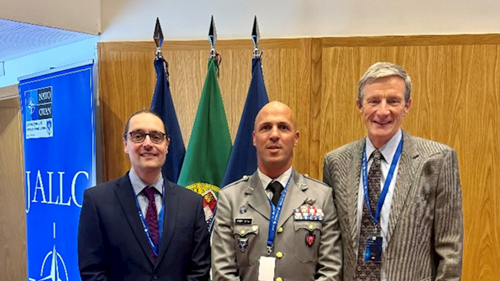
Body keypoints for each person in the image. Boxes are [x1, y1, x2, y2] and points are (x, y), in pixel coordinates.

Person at [323, 62, 463, 281]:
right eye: (374, 101)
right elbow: (332, 245)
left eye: (393, 101)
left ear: (407, 106)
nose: (383, 111)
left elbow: (450, 251)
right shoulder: (336, 162)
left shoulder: (437, 160)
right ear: (359, 106)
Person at [212, 101, 343, 281]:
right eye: (266, 128)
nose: (274, 135)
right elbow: (222, 273)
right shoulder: (231, 198)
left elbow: (331, 270)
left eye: (283, 127)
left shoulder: (321, 196)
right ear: (254, 138)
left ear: (296, 138)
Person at [78, 109, 210, 281]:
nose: (148, 144)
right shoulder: (97, 201)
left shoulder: (191, 203)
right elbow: (92, 271)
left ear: (167, 145)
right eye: (138, 136)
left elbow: (200, 270)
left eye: (156, 137)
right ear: (125, 143)